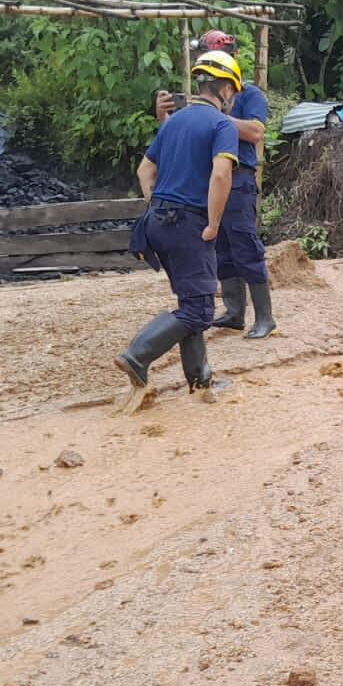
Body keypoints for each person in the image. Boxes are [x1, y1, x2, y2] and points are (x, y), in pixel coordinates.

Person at [114, 49, 243, 413]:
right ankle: (137, 355)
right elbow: (221, 175)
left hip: (157, 222)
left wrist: (157, 206)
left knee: (192, 301)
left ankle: (201, 381)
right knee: (199, 310)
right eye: (234, 91)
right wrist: (213, 223)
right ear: (226, 89)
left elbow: (144, 171)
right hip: (188, 223)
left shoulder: (172, 122)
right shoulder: (221, 126)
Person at [156, 29, 275, 339]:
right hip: (209, 180)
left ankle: (265, 317)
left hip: (237, 178)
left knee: (245, 244)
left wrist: (212, 116)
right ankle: (235, 312)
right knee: (219, 247)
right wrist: (167, 117)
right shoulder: (200, 103)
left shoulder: (248, 94)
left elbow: (256, 132)